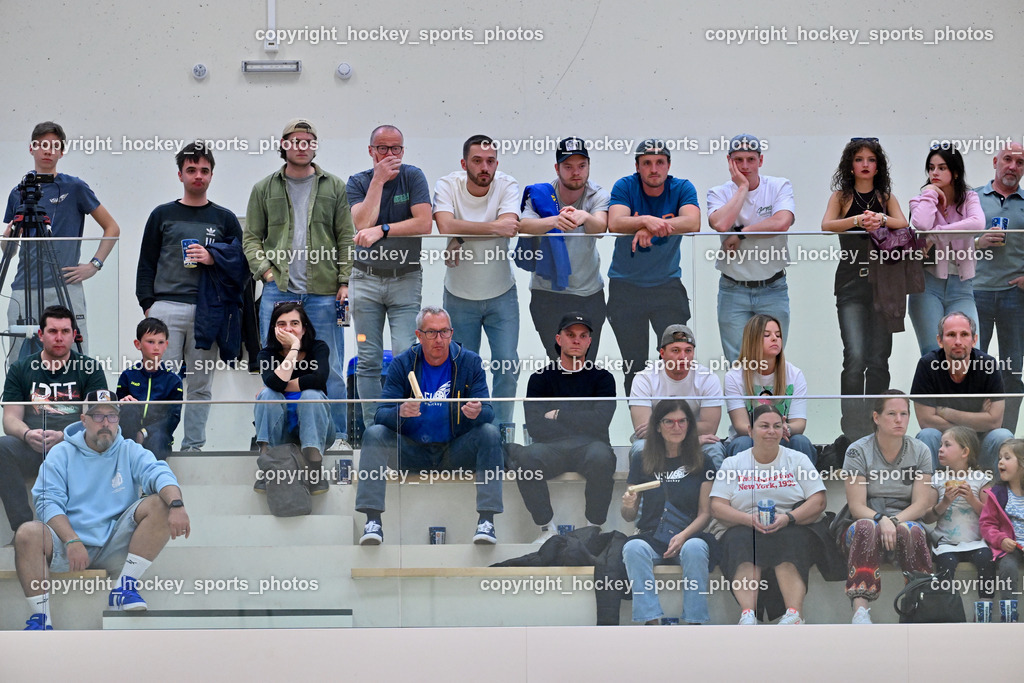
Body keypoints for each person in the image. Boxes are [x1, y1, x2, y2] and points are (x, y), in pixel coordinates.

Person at [15, 390, 191, 630]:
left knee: (161, 502)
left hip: (115, 544)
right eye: (97, 416)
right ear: (83, 419)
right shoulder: (61, 453)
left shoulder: (129, 449)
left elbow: (158, 472)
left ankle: (124, 588)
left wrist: (177, 505)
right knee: (27, 533)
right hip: (68, 547)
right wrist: (71, 541)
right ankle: (42, 618)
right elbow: (47, 501)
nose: (106, 423)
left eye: (112, 415)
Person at [244, 118, 355, 448]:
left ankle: (337, 437)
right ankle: (269, 438)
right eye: (297, 141)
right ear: (284, 144)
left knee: (331, 366)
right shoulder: (264, 188)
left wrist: (345, 280)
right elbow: (251, 238)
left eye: (309, 141)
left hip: (324, 293)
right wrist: (266, 274)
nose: (303, 146)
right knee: (274, 363)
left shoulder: (334, 186)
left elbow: (346, 236)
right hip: (278, 292)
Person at [355, 306, 503, 545]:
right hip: (412, 451)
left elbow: (488, 411)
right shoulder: (403, 364)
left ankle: (487, 521)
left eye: (444, 332)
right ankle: (373, 522)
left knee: (490, 432)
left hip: (454, 451)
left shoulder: (470, 362)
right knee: (374, 434)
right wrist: (400, 412)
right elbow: (380, 415)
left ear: (452, 333)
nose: (439, 339)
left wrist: (477, 412)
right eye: (432, 333)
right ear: (419, 335)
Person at [136, 141, 246, 452]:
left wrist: (213, 257)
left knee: (199, 386)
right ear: (180, 174)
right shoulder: (162, 215)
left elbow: (241, 266)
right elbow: (146, 264)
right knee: (162, 382)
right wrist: (149, 307)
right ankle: (159, 443)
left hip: (206, 311)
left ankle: (194, 445)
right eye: (191, 170)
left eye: (204, 170)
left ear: (212, 174)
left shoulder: (225, 219)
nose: (198, 176)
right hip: (165, 308)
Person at [821, 138, 910, 451]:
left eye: (871, 159)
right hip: (850, 285)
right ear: (851, 164)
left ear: (877, 165)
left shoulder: (886, 196)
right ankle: (854, 429)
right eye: (859, 159)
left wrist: (881, 218)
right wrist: (859, 220)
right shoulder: (842, 196)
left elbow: (904, 224)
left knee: (878, 359)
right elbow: (827, 225)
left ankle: (877, 426)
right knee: (855, 357)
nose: (865, 164)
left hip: (884, 286)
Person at [4, 121, 120, 356]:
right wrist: (7, 235)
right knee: (20, 360)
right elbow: (9, 251)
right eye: (43, 144)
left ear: (61, 151)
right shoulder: (19, 192)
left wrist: (94, 265)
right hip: (24, 286)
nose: (48, 150)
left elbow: (112, 227)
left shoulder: (75, 187)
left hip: (65, 285)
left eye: (54, 146)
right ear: (32, 148)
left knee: (75, 355)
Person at [346, 125, 432, 428]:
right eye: (382, 148)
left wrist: (383, 230)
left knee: (405, 355)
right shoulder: (358, 182)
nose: (389, 154)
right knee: (367, 358)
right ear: (371, 151)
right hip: (365, 279)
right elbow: (361, 222)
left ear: (403, 151)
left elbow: (424, 224)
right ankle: (375, 428)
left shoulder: (414, 176)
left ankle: (404, 424)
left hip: (405, 279)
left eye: (396, 148)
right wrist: (379, 181)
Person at [710, 404, 827, 625]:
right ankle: (748, 614)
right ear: (750, 430)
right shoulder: (733, 463)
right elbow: (717, 506)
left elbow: (818, 500)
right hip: (744, 524)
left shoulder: (798, 460)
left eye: (777, 426)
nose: (771, 431)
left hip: (791, 522)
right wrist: (747, 520)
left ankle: (794, 614)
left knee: (792, 539)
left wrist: (788, 519)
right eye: (764, 426)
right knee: (740, 540)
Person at [433, 134, 520, 425]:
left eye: (490, 161)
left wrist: (460, 234)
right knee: (460, 371)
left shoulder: (507, 184)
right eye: (477, 161)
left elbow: (509, 227)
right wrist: (456, 232)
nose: (485, 167)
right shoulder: (448, 184)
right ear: (464, 163)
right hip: (459, 298)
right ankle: (465, 434)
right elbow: (444, 224)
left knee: (507, 367)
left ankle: (502, 434)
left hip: (501, 295)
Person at [0, 305, 107, 533]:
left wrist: (65, 437)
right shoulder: (20, 369)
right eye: (52, 331)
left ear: (73, 334)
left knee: (103, 443)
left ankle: (87, 531)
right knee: (2, 446)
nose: (59, 338)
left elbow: (100, 420)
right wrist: (27, 434)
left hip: (74, 448)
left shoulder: (89, 368)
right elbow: (9, 419)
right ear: (41, 335)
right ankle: (24, 529)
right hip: (34, 446)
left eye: (65, 331)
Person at [510, 313, 616, 542]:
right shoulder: (540, 378)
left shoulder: (603, 378)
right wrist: (582, 421)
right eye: (570, 335)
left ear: (589, 341)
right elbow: (536, 426)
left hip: (590, 447)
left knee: (602, 456)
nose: (576, 340)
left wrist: (559, 415)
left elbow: (601, 421)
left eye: (583, 336)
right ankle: (547, 529)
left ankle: (593, 528)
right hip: (551, 448)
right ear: (559, 339)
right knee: (527, 459)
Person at [607, 139, 700, 394]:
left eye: (660, 162)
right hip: (626, 287)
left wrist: (652, 229)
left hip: (667, 286)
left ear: (668, 165)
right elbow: (614, 223)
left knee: (675, 362)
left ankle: (674, 427)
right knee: (634, 365)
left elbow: (693, 222)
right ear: (637, 166)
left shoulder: (682, 187)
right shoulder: (625, 186)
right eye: (647, 163)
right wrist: (646, 221)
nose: (654, 168)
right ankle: (642, 429)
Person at [840, 390, 936, 624]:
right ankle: (860, 611)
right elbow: (856, 506)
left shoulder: (920, 450)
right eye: (891, 414)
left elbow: (922, 504)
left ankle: (920, 604)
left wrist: (894, 521)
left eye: (904, 414)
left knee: (911, 530)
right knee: (866, 527)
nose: (899, 419)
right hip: (867, 518)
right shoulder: (857, 450)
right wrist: (881, 519)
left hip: (906, 519)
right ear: (876, 417)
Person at [621, 400, 717, 625]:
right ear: (657, 426)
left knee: (694, 548)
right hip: (652, 535)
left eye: (682, 421)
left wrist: (683, 536)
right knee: (633, 548)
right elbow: (628, 515)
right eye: (669, 422)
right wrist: (627, 504)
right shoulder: (641, 460)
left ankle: (695, 621)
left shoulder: (703, 461)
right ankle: (650, 620)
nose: (677, 427)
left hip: (690, 534)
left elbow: (706, 513)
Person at [519, 136, 610, 360]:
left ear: (589, 166)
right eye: (568, 166)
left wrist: (584, 216)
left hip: (588, 294)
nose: (575, 172)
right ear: (557, 168)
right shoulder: (540, 194)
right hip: (547, 294)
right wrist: (553, 222)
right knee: (558, 365)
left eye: (581, 166)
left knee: (585, 366)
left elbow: (600, 228)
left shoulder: (597, 194)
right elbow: (524, 225)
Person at [707, 134, 796, 363]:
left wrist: (740, 233)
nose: (745, 166)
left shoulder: (779, 186)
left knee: (772, 360)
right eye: (738, 160)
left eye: (750, 159)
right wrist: (743, 188)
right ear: (729, 161)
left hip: (773, 288)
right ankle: (742, 402)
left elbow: (782, 223)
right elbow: (720, 224)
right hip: (732, 289)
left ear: (761, 160)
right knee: (737, 362)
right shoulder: (718, 192)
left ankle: (767, 402)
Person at [910, 311, 1013, 472]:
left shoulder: (989, 364)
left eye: (964, 334)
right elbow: (926, 421)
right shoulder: (927, 364)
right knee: (928, 435)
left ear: (974, 340)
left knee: (1002, 435)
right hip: (945, 445)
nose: (958, 341)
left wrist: (945, 412)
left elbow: (994, 422)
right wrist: (979, 419)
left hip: (979, 445)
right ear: (940, 340)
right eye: (951, 335)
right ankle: (927, 494)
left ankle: (994, 495)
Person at [908, 145, 985, 354]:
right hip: (927, 286)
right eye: (931, 168)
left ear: (955, 172)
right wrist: (931, 193)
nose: (935, 172)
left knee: (968, 351)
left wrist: (936, 234)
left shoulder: (969, 198)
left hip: (962, 287)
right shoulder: (920, 200)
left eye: (942, 168)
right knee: (933, 353)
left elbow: (978, 224)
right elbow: (922, 224)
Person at [253, 301, 334, 494]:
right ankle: (267, 467)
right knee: (267, 395)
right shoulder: (266, 354)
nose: (288, 329)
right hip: (281, 431)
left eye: (294, 323)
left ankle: (315, 470)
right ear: (274, 329)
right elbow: (273, 385)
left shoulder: (318, 348)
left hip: (317, 428)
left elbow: (319, 380)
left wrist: (279, 383)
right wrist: (294, 349)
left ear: (304, 328)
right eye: (282, 324)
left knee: (311, 395)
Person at [972, 143, 1024, 432]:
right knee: (973, 370)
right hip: (975, 293)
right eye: (1008, 159)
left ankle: (1007, 441)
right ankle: (972, 441)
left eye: (1019, 162)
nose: (1013, 166)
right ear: (995, 161)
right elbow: (949, 243)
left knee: (1012, 372)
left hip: (1014, 297)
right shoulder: (973, 199)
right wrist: (978, 242)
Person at [628, 324, 726, 467]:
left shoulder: (707, 378)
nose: (683, 357)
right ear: (662, 353)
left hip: (694, 439)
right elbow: (643, 430)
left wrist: (666, 429)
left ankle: (715, 491)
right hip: (657, 442)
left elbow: (709, 428)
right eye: (675, 350)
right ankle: (643, 490)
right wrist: (687, 435)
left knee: (714, 449)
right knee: (640, 448)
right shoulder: (644, 378)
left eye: (688, 351)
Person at [723, 314, 816, 464]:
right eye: (767, 335)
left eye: (778, 335)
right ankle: (745, 488)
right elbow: (741, 426)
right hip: (750, 439)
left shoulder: (794, 374)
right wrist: (767, 430)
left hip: (782, 438)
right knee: (743, 443)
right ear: (752, 341)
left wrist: (786, 428)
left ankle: (806, 487)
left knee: (800, 441)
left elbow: (799, 422)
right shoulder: (734, 376)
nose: (775, 338)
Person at [922, 426, 994, 599]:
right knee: (945, 568)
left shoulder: (981, 479)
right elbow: (927, 516)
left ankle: (984, 608)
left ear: (965, 452)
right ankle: (946, 611)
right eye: (940, 445)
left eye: (947, 445)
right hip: (946, 543)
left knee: (987, 560)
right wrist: (945, 502)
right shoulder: (937, 479)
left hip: (976, 542)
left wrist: (971, 499)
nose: (940, 449)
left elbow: (990, 515)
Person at [115, 317, 184, 460]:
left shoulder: (173, 381)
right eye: (150, 342)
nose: (156, 347)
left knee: (158, 439)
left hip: (158, 437)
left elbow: (172, 418)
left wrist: (145, 432)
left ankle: (154, 481)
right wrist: (122, 402)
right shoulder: (128, 376)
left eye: (160, 342)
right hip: (129, 434)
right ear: (138, 344)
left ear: (166, 345)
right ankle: (125, 474)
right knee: (128, 407)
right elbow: (117, 412)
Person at [980, 439, 1024, 603]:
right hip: (1010, 548)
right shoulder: (996, 494)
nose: (1000, 462)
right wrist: (1001, 539)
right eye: (999, 458)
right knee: (1007, 567)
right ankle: (1009, 614)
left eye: (1007, 458)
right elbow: (987, 524)